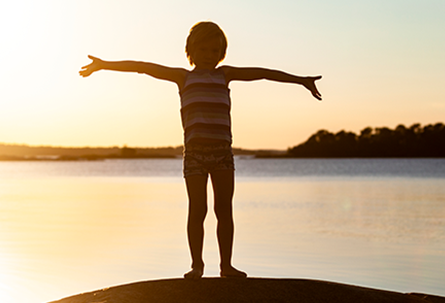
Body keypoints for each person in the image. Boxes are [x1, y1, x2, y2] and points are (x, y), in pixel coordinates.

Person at [79, 21, 322, 279]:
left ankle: (226, 266)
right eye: (203, 50)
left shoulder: (225, 74)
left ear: (221, 53)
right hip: (194, 154)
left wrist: (301, 80)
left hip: (222, 154)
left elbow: (263, 73)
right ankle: (197, 265)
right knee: (198, 209)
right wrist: (105, 65)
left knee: (224, 210)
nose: (208, 55)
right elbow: (143, 68)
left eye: (214, 50)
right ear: (191, 52)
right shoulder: (183, 77)